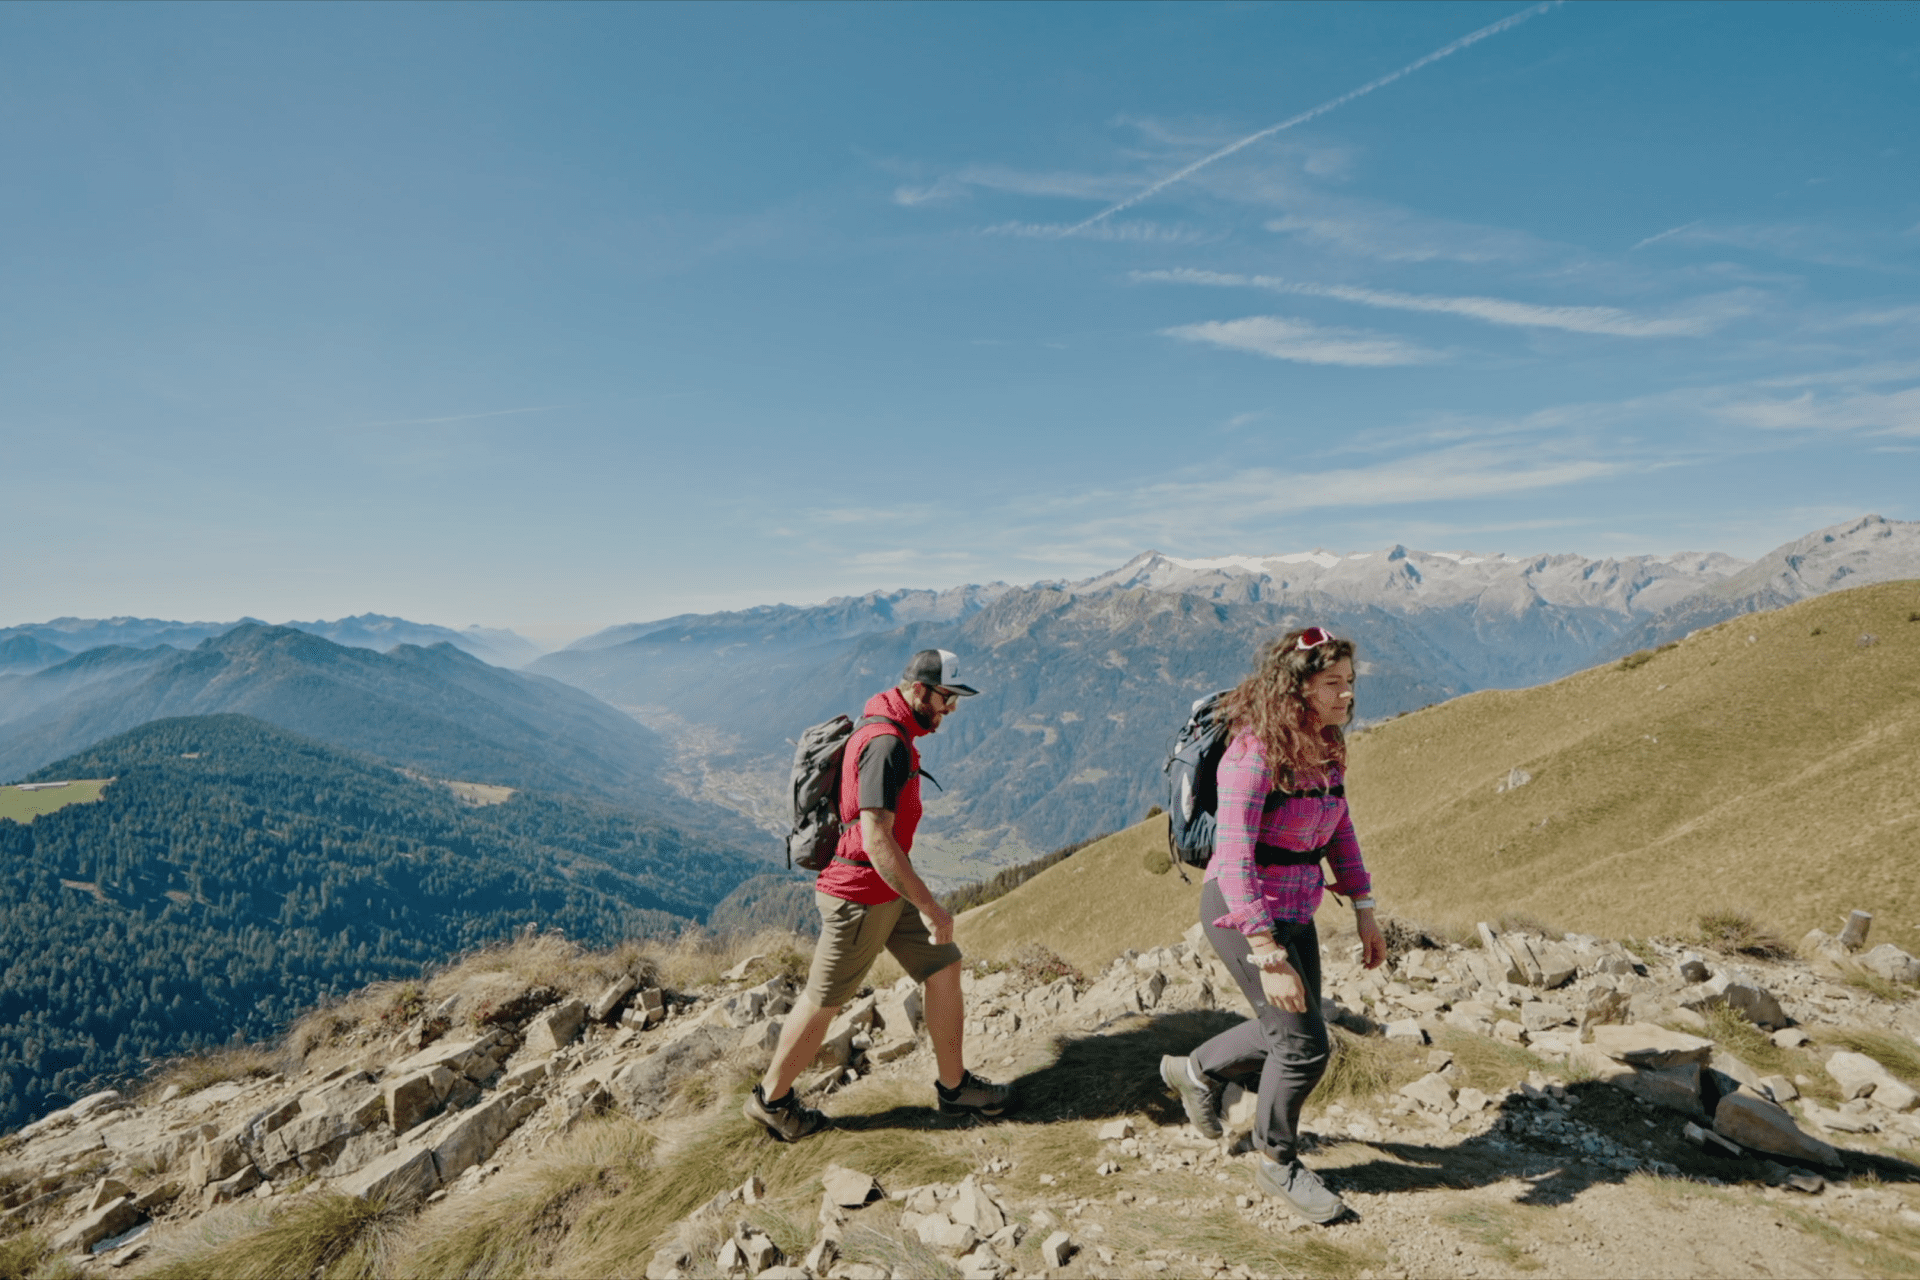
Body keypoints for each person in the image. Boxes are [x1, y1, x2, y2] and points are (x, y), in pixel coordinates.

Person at [1159, 625, 1387, 1224]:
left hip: (1295, 907)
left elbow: (1339, 824)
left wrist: (1363, 906)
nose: (1347, 696)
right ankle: (1278, 1161)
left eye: (1350, 682)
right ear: (1297, 687)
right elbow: (1232, 860)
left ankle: (1195, 1070)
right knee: (1305, 1047)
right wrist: (1267, 951)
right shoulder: (1254, 753)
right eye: (1332, 684)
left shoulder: (1326, 743)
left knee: (1293, 1027)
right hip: (1242, 912)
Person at [745, 648, 1014, 1140]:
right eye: (946, 698)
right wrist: (930, 907)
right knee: (824, 1000)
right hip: (861, 897)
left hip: (882, 891)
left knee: (943, 964)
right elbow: (876, 838)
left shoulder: (889, 729)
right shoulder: (887, 744)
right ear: (918, 690)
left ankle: (954, 1089)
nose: (950, 709)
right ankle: (772, 1100)